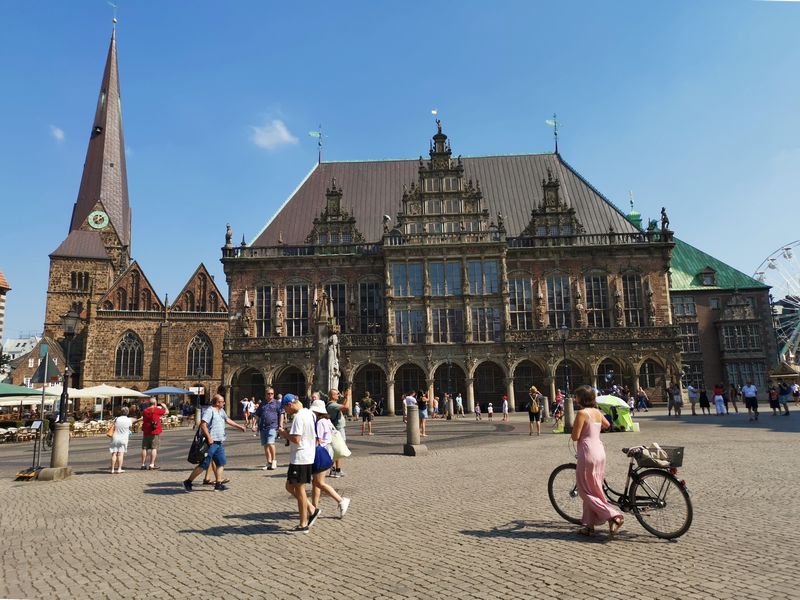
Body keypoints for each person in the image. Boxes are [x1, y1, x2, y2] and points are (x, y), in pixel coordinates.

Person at [570, 385, 624, 539]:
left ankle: (613, 515)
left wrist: (579, 429)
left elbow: (575, 436)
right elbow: (607, 425)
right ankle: (589, 526)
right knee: (594, 489)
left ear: (580, 399)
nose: (575, 399)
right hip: (599, 452)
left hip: (588, 453)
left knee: (584, 491)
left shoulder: (582, 413)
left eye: (576, 396)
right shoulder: (597, 412)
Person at [183, 394, 246, 492]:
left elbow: (227, 420)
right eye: (222, 401)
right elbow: (203, 425)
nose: (224, 403)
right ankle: (188, 481)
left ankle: (218, 484)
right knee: (204, 464)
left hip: (219, 442)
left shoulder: (221, 411)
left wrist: (239, 426)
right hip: (211, 443)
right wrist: (209, 438)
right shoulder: (210, 411)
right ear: (217, 403)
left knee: (221, 463)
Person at [277, 393, 317, 533]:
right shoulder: (309, 413)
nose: (286, 412)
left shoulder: (299, 417)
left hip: (301, 457)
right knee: (289, 486)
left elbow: (296, 439)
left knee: (300, 491)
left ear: (290, 405)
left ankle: (303, 524)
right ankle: (312, 509)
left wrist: (284, 434)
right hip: (307, 455)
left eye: (285, 409)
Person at [309, 399, 350, 519]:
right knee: (316, 482)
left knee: (319, 482)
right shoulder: (327, 420)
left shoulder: (321, 422)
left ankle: (341, 500)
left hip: (323, 453)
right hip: (327, 452)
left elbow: (320, 440)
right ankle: (314, 508)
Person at [255, 386, 280, 470]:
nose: (270, 395)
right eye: (268, 393)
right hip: (263, 426)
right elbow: (257, 415)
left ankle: (274, 461)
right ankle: (268, 462)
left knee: (270, 443)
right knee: (265, 445)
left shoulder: (277, 403)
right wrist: (254, 425)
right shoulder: (262, 403)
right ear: (265, 394)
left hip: (272, 426)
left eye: (272, 393)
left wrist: (281, 425)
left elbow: (282, 413)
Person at [326, 388, 350, 478]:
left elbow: (342, 407)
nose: (339, 395)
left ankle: (337, 470)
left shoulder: (334, 405)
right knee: (337, 450)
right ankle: (333, 470)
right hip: (337, 430)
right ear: (332, 396)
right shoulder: (332, 405)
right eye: (337, 394)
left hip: (338, 429)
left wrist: (345, 398)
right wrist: (348, 397)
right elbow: (346, 407)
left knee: (337, 450)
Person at [140, 397, 168, 470]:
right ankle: (151, 464)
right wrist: (165, 407)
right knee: (154, 448)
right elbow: (167, 412)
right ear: (155, 403)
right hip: (155, 431)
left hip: (146, 431)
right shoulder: (157, 410)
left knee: (144, 448)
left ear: (149, 403)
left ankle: (143, 464)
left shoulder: (145, 410)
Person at [108, 407, 132, 473]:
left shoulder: (116, 419)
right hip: (123, 438)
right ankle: (119, 469)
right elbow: (130, 427)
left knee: (114, 454)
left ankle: (112, 469)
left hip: (115, 437)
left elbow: (113, 425)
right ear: (127, 412)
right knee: (120, 454)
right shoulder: (128, 420)